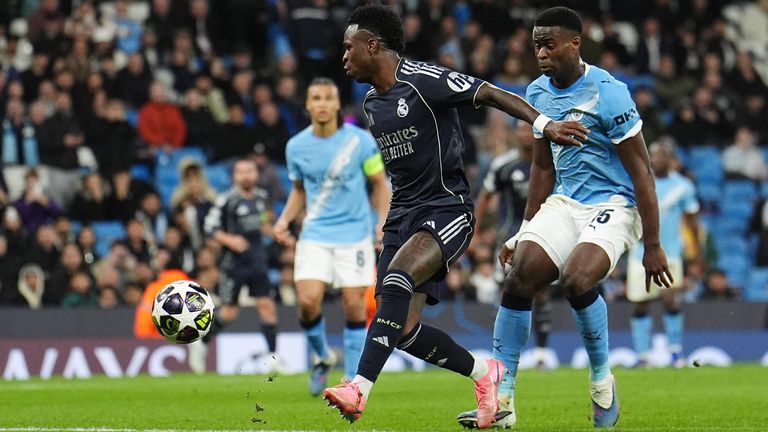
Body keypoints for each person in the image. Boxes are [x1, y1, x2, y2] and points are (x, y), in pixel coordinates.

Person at [323, 4, 588, 428]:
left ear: (373, 46)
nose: (343, 57)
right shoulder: (372, 104)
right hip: (402, 216)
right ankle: (486, 375)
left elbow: (492, 93)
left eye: (348, 47)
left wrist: (544, 123)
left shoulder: (425, 80)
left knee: (395, 280)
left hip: (447, 209)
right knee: (403, 328)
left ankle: (358, 387)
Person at [457, 7, 672, 429]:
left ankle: (601, 383)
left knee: (576, 279)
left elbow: (642, 171)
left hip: (614, 203)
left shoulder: (610, 93)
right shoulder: (537, 93)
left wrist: (653, 243)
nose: (540, 52)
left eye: (549, 43)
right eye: (536, 44)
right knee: (519, 276)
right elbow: (542, 168)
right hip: (565, 203)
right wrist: (524, 231)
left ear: (575, 43)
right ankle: (502, 400)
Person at [272, 77, 390, 396]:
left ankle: (352, 383)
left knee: (354, 307)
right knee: (308, 302)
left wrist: (381, 223)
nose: (322, 103)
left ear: (337, 104)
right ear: (308, 105)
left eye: (328, 97)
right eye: (316, 98)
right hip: (315, 235)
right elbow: (299, 191)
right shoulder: (296, 146)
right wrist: (284, 221)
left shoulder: (361, 141)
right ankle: (323, 357)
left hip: (354, 235)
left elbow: (380, 184)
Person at [187, 158, 281, 374]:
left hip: (257, 261)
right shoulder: (227, 200)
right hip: (234, 264)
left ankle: (272, 359)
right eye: (241, 172)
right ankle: (201, 342)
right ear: (234, 176)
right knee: (230, 312)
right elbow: (210, 227)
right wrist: (231, 240)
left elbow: (264, 223)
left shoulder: (261, 197)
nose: (246, 175)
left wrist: (274, 232)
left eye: (249, 171)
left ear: (256, 174)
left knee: (267, 307)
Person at [474, 121, 553, 369]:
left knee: (541, 292)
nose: (525, 134)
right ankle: (503, 353)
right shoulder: (504, 165)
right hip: (510, 236)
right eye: (519, 129)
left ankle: (540, 352)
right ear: (514, 134)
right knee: (505, 292)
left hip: (544, 234)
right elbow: (485, 196)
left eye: (529, 128)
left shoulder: (552, 162)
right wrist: (474, 233)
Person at [628, 141, 699, 368]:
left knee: (670, 299)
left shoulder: (684, 186)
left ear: (671, 159)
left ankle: (676, 353)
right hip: (639, 251)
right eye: (653, 156)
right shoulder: (639, 181)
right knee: (640, 303)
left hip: (671, 252)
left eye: (660, 156)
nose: (655, 160)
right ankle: (643, 355)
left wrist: (696, 253)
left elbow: (692, 221)